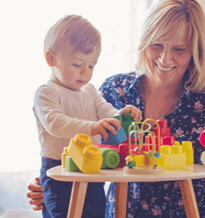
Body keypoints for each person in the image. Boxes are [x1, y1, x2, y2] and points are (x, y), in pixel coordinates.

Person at [27, 1, 205, 217]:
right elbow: (84, 148)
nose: (165, 58)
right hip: (125, 210)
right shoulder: (114, 90)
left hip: (196, 209)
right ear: (144, 43)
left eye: (179, 49)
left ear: (195, 53)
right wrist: (54, 187)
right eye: (157, 45)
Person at [33, 14, 142, 218]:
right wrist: (92, 127)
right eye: (77, 64)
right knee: (63, 213)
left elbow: (106, 112)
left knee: (94, 212)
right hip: (60, 168)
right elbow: (55, 123)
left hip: (92, 165)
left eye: (91, 66)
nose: (85, 72)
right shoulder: (46, 92)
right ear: (51, 59)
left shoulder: (90, 91)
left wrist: (120, 114)